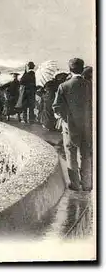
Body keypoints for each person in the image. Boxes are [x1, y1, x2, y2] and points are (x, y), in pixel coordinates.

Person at [52, 58, 93, 191]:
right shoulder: (90, 85)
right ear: (82, 69)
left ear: (70, 69)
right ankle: (87, 184)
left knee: (71, 154)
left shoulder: (64, 86)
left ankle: (74, 184)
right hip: (87, 126)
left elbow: (57, 107)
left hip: (69, 126)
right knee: (86, 155)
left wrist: (65, 119)